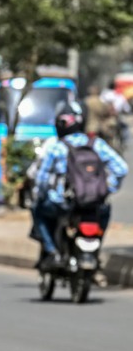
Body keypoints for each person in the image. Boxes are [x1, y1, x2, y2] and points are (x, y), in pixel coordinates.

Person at [31, 104, 128, 270]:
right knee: (104, 213)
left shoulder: (56, 146)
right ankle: (95, 254)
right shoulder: (96, 144)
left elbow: (41, 178)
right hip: (95, 203)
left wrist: (40, 195)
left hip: (63, 204)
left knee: (37, 210)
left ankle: (52, 251)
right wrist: (106, 189)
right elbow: (121, 168)